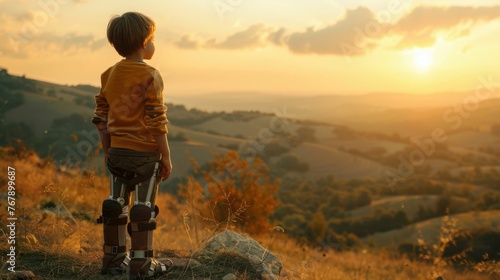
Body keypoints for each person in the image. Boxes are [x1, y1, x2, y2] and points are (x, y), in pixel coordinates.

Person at [92, 11, 173, 279]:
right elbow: (156, 120)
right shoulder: (151, 74)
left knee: (115, 205)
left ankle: (113, 262)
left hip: (116, 153)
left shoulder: (109, 74)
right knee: (142, 210)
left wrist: (107, 150)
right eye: (152, 39)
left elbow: (101, 119)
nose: (153, 44)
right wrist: (166, 155)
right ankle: (142, 265)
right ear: (143, 42)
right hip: (145, 156)